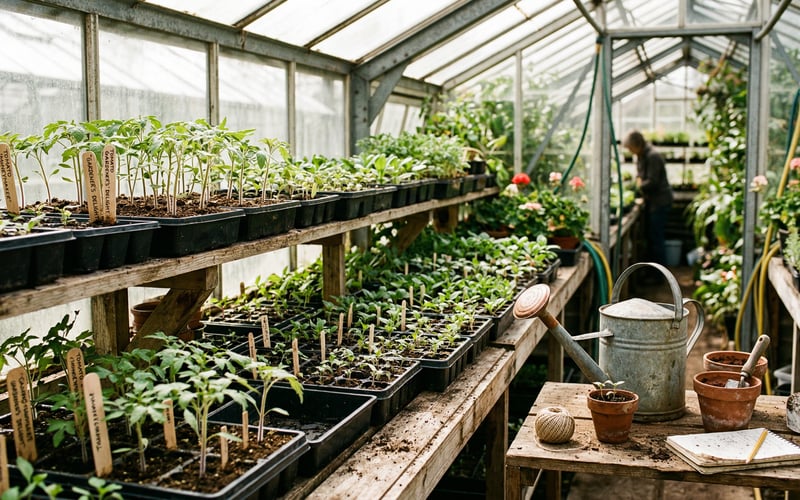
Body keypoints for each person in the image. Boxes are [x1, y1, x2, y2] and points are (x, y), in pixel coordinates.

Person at [622, 130, 673, 266]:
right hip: (654, 202)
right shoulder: (642, 155)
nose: (630, 151)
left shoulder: (653, 156)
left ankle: (658, 275)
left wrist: (636, 187)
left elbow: (652, 182)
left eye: (630, 148)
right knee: (652, 238)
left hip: (660, 202)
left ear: (637, 144)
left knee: (656, 238)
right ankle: (653, 271)